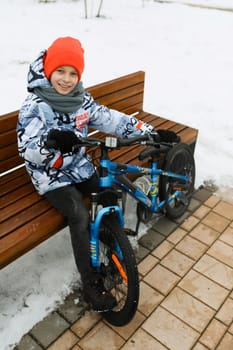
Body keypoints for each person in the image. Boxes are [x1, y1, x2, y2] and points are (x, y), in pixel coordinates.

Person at [17, 36, 179, 312]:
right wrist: (51, 142)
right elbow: (27, 148)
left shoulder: (81, 100)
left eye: (73, 73)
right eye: (60, 71)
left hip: (79, 166)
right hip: (51, 175)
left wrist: (148, 131)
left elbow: (111, 119)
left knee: (108, 194)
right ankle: (90, 281)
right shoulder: (34, 105)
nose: (66, 79)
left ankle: (111, 241)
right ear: (48, 71)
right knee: (78, 214)